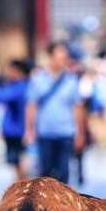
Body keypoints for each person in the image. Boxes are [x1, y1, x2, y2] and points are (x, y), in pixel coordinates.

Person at [24, 42, 85, 185]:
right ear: (50, 57)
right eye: (59, 56)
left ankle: (62, 206)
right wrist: (29, 130)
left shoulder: (71, 80)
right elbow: (31, 106)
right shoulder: (38, 79)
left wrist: (80, 134)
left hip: (66, 133)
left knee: (64, 175)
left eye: (65, 57)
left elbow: (78, 108)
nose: (63, 60)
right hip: (44, 133)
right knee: (44, 176)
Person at [0, 59, 31, 180]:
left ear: (19, 71)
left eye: (11, 70)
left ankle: (24, 189)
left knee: (19, 162)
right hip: (15, 131)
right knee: (16, 163)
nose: (8, 73)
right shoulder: (19, 86)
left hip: (17, 132)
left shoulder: (20, 87)